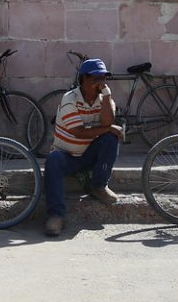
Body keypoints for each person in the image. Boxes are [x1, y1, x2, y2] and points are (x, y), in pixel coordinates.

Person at [43, 58, 125, 236]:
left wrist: (108, 97)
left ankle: (98, 186)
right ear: (83, 79)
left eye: (103, 78)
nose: (100, 83)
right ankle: (56, 215)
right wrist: (108, 128)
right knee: (53, 160)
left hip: (88, 155)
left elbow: (108, 122)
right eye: (95, 78)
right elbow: (78, 132)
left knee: (111, 137)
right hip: (66, 156)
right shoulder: (70, 99)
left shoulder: (105, 99)